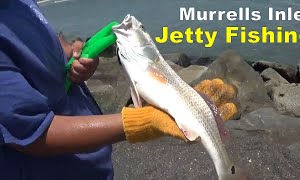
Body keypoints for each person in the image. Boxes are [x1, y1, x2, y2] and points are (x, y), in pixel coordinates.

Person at [0, 0, 237, 179]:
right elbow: (34, 134)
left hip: (93, 167)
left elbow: (47, 47)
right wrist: (141, 121)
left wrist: (74, 56)